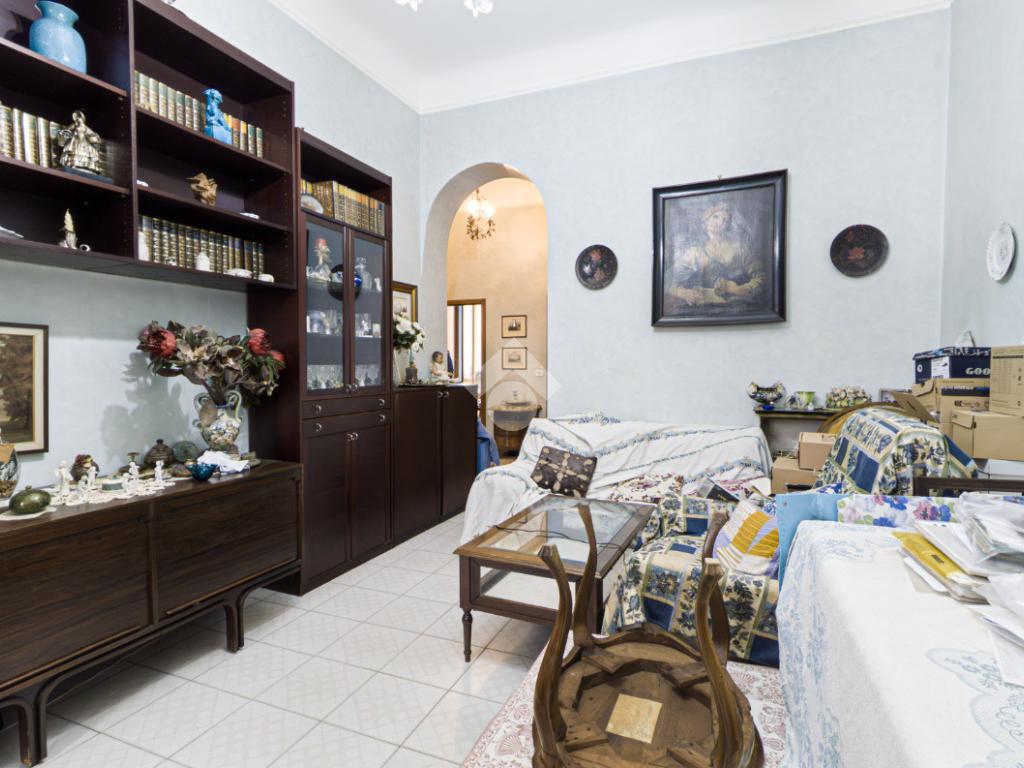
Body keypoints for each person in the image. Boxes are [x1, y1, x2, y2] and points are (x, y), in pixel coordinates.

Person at [668, 202, 766, 308]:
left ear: (727, 225)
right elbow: (668, 279)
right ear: (706, 220)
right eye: (715, 217)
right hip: (704, 308)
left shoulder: (740, 249)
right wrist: (682, 292)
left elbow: (762, 278)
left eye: (725, 220)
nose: (720, 222)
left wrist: (738, 289)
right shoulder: (695, 252)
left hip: (739, 306)